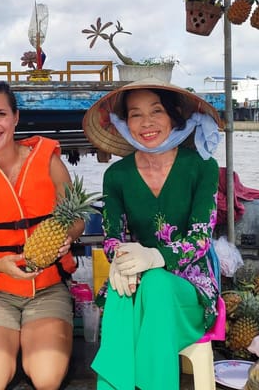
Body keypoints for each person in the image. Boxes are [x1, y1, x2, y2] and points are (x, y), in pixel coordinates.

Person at [82, 77, 226, 389]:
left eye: (156, 111)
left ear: (174, 116)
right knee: (124, 290)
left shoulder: (202, 167)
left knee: (157, 284)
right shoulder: (117, 175)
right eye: (135, 114)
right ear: (124, 123)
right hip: (138, 276)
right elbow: (112, 236)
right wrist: (121, 259)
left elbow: (201, 238)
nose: (146, 123)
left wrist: (154, 256)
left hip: (191, 288)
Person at [0, 80, 84, 390]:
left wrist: (67, 235)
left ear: (15, 117)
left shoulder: (47, 159)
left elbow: (76, 217)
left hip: (48, 289)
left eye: (0, 114)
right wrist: (0, 265)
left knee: (47, 377)